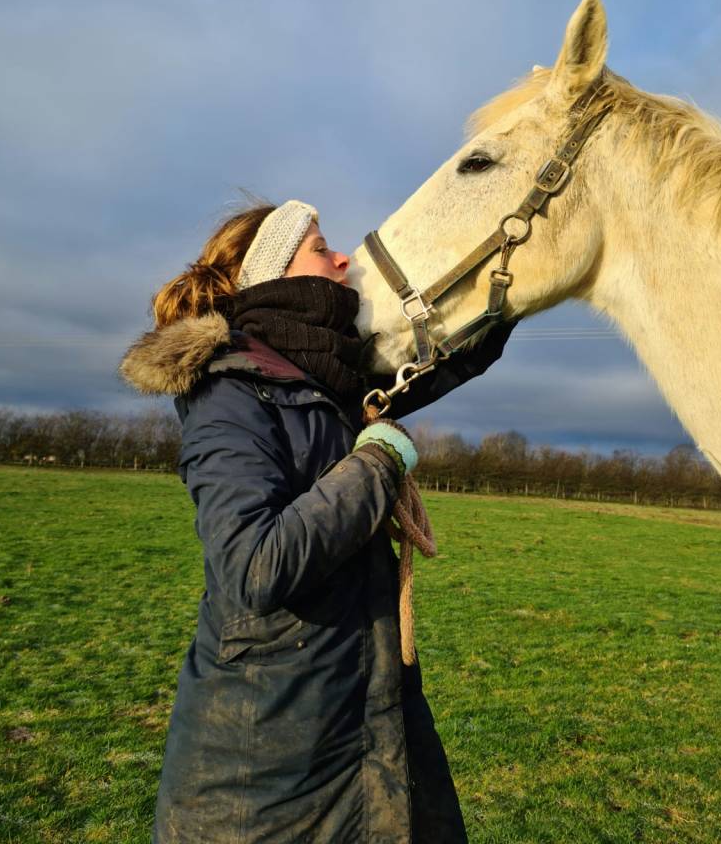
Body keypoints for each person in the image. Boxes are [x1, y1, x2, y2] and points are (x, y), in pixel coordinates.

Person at [120, 200, 514, 844]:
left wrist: (513, 281)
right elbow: (256, 565)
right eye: (320, 247)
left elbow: (447, 357)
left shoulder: (327, 378)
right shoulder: (229, 391)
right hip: (269, 758)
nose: (343, 260)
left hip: (367, 719)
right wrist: (379, 462)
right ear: (272, 277)